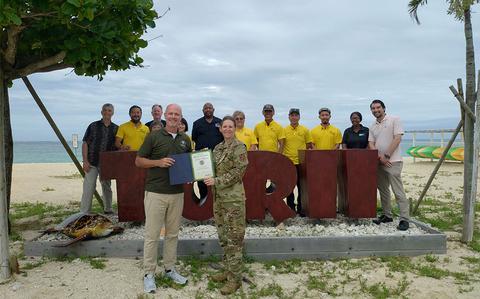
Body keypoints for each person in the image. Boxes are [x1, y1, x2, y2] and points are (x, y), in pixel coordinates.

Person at [136, 104, 192, 294]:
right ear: (165, 116)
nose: (174, 117)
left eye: (177, 114)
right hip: (156, 193)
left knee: (172, 234)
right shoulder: (154, 136)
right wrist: (158, 162)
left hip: (177, 194)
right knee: (152, 235)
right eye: (171, 114)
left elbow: (188, 164)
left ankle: (169, 269)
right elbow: (139, 160)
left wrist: (191, 175)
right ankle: (149, 274)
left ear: (181, 117)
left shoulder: (186, 140)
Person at [204, 115, 248, 295]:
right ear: (220, 129)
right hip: (219, 199)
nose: (228, 129)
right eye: (225, 126)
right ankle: (228, 271)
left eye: (231, 126)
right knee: (223, 237)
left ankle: (235, 280)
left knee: (234, 240)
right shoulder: (217, 148)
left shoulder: (239, 147)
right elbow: (210, 170)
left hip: (233, 200)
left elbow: (239, 172)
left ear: (235, 128)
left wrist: (217, 181)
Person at [368, 99, 409, 231]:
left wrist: (386, 156)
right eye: (373, 108)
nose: (376, 110)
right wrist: (379, 158)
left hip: (393, 161)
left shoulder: (394, 119)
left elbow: (398, 138)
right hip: (379, 162)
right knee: (383, 190)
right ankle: (387, 215)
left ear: (384, 108)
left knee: (398, 191)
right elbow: (371, 143)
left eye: (378, 107)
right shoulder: (372, 125)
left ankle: (404, 219)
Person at [80, 103, 118, 214]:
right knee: (89, 187)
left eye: (109, 110)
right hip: (91, 162)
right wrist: (85, 161)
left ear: (113, 113)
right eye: (105, 110)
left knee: (107, 186)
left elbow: (117, 146)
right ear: (101, 112)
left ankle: (108, 209)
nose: (107, 112)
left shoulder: (116, 128)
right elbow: (85, 143)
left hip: (107, 163)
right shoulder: (93, 126)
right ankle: (84, 212)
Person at [283, 108, 313, 215]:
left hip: (301, 162)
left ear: (299, 117)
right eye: (292, 115)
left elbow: (309, 145)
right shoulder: (284, 130)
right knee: (289, 188)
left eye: (296, 115)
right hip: (288, 163)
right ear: (289, 117)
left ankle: (301, 209)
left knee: (302, 187)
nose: (294, 117)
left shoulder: (305, 130)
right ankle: (291, 209)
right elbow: (281, 145)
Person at [192, 102, 223, 199]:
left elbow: (223, 137)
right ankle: (204, 201)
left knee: (217, 180)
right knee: (202, 182)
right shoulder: (197, 123)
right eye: (206, 108)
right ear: (203, 111)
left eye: (210, 108)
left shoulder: (220, 122)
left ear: (213, 110)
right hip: (202, 158)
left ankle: (216, 202)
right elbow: (194, 138)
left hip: (217, 157)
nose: (208, 109)